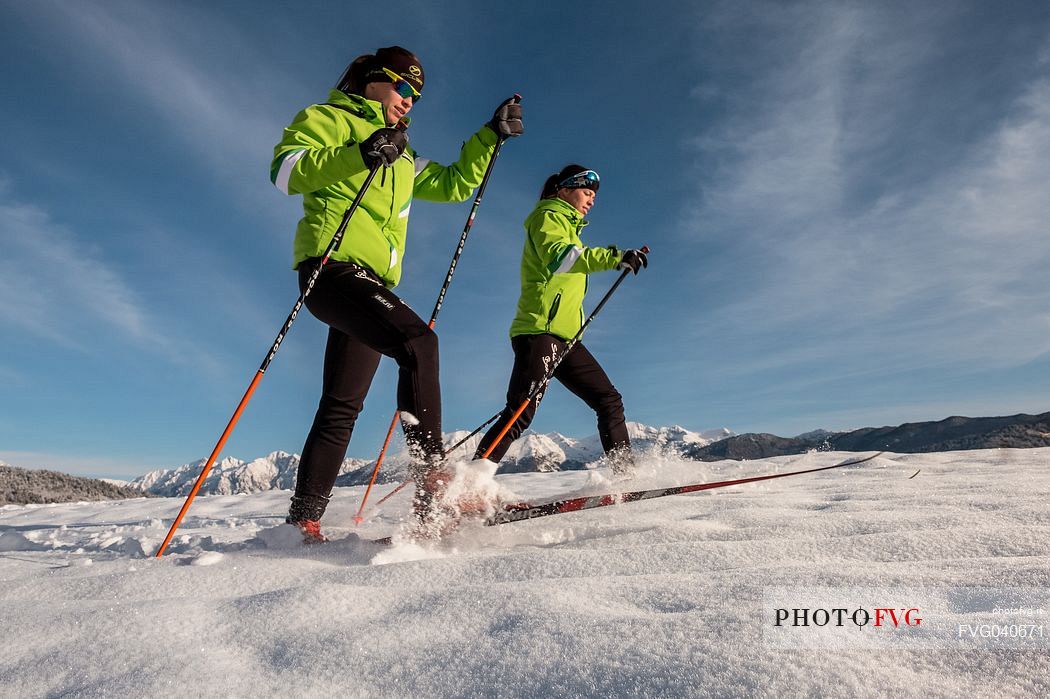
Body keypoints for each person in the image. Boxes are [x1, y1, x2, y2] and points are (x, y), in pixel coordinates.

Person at [270, 46, 523, 541]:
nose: (409, 100)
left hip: (372, 282)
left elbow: (452, 185)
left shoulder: (402, 154)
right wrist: (359, 153)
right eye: (403, 87)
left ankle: (302, 521)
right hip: (331, 267)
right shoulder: (327, 120)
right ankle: (434, 484)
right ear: (371, 81)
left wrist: (489, 137)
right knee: (419, 342)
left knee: (342, 404)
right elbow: (285, 173)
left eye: (417, 95)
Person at [473, 164, 647, 476]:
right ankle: (469, 486)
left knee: (609, 400)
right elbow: (561, 258)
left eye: (594, 194)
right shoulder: (547, 217)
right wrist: (614, 257)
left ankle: (626, 476)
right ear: (564, 189)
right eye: (586, 191)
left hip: (567, 338)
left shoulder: (570, 229)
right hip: (540, 331)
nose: (591, 198)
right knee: (521, 411)